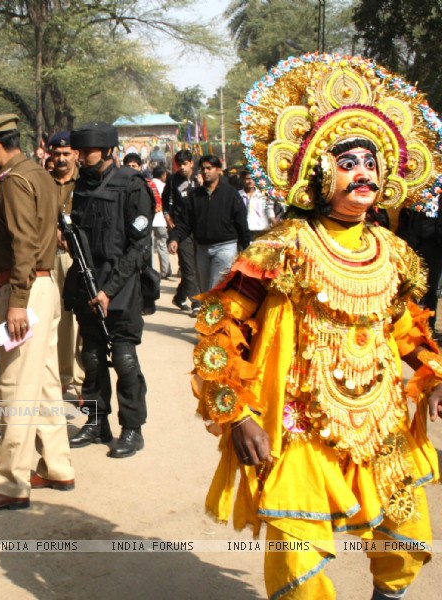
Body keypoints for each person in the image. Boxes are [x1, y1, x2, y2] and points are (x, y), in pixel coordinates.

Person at [195, 54, 442, 599]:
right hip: (300, 423)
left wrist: (432, 372)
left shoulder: (393, 253)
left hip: (380, 423)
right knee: (297, 560)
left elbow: (403, 327)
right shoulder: (281, 249)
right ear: (317, 173)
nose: (364, 172)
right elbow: (218, 330)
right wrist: (238, 415)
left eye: (372, 163)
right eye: (348, 160)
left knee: (406, 540)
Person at [0, 114, 74, 510]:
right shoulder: (40, 174)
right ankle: (58, 466)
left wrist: (16, 303)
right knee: (43, 382)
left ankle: (10, 484)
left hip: (24, 291)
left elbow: (23, 244)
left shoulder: (12, 181)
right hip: (44, 288)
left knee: (13, 387)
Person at [66, 122, 153, 458]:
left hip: (122, 286)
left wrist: (110, 290)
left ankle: (132, 429)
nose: (81, 157)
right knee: (91, 357)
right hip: (88, 282)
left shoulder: (131, 185)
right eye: (80, 151)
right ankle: (96, 423)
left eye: (86, 151)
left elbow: (139, 246)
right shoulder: (83, 186)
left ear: (106, 151)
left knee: (124, 358)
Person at [168, 154, 250, 313]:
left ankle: (214, 330)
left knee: (216, 287)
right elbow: (184, 223)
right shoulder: (194, 196)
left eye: (209, 168)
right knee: (205, 290)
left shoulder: (231, 195)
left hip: (225, 248)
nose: (205, 171)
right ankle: (209, 325)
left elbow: (241, 224)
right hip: (202, 249)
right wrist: (175, 238)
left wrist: (246, 247)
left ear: (218, 170)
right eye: (203, 168)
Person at [48, 130, 85, 399]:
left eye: (66, 153)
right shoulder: (43, 182)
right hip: (50, 257)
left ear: (76, 154)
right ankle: (62, 377)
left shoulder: (85, 182)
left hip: (79, 256)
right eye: (57, 153)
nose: (61, 158)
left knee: (84, 318)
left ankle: (83, 382)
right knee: (59, 320)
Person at [163, 149, 200, 312]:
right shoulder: (173, 180)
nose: (182, 168)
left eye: (185, 164)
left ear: (191, 163)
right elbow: (165, 199)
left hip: (199, 228)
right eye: (179, 165)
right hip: (180, 228)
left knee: (196, 267)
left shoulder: (201, 178)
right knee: (187, 266)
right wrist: (167, 216)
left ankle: (179, 297)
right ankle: (197, 303)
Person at [239, 169, 276, 237]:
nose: (250, 181)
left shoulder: (263, 195)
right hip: (244, 231)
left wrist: (275, 223)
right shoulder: (238, 195)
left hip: (262, 230)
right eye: (247, 179)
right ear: (242, 179)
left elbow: (269, 210)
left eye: (253, 179)